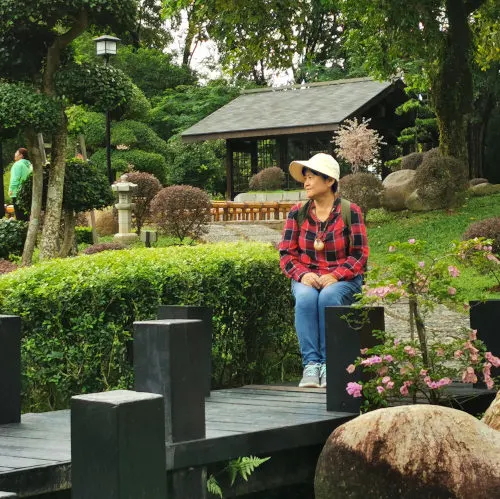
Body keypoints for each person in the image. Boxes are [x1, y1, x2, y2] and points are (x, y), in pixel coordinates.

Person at [279, 153, 369, 388]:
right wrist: (303, 275)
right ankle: (311, 365)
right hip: (307, 275)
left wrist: (335, 275)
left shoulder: (351, 211)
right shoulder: (297, 213)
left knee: (329, 296)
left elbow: (359, 254)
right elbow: (286, 254)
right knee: (307, 297)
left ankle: (331, 363)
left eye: (311, 177)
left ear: (329, 181)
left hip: (343, 277)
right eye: (305, 178)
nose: (306, 182)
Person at [8, 148, 32, 221]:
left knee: (19, 215)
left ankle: (22, 230)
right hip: (26, 192)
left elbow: (15, 179)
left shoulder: (17, 164)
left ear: (21, 155)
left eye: (16, 152)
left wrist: (11, 189)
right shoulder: (29, 165)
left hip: (17, 192)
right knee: (25, 214)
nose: (15, 154)